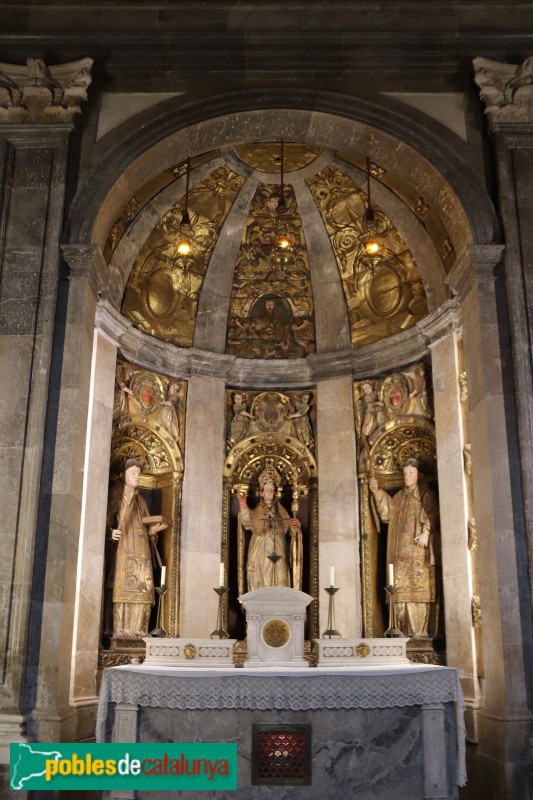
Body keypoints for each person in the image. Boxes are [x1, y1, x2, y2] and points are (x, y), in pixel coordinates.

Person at [369, 458, 439, 638]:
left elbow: (433, 514)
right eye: (405, 473)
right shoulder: (399, 497)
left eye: (411, 473)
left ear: (420, 475)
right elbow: (386, 515)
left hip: (417, 553)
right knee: (399, 593)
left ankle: (419, 632)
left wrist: (426, 532)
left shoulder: (425, 495)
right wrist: (377, 492)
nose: (407, 477)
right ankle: (400, 631)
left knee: (417, 592)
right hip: (398, 553)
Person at [108, 459, 168, 638]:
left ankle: (140, 630)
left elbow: (146, 525)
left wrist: (154, 530)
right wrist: (110, 532)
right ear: (123, 475)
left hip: (142, 552)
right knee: (124, 588)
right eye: (133, 473)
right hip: (125, 550)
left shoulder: (141, 501)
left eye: (138, 474)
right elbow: (108, 519)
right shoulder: (116, 496)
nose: (137, 477)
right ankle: (123, 630)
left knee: (143, 588)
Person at [237, 465, 302, 595]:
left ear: (276, 493)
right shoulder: (256, 512)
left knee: (280, 581)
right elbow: (247, 523)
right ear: (261, 492)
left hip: (278, 551)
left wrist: (295, 528)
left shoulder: (282, 512)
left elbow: (289, 530)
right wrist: (243, 505)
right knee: (261, 583)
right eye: (266, 489)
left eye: (272, 489)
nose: (269, 492)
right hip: (260, 552)